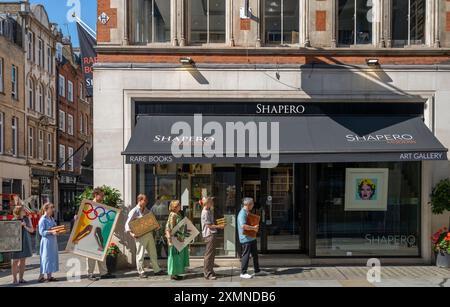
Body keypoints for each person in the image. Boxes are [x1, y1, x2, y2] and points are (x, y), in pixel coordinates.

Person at [126, 194, 164, 278]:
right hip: (139, 235)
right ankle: (141, 271)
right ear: (139, 200)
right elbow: (127, 224)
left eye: (146, 200)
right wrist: (132, 234)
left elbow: (151, 220)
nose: (146, 202)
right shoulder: (134, 211)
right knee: (140, 254)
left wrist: (156, 226)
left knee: (153, 252)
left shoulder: (146, 210)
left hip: (149, 234)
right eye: (145, 200)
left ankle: (157, 270)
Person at [86, 187, 114, 281]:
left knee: (102, 251)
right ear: (96, 195)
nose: (103, 197)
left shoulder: (102, 206)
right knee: (91, 253)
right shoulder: (89, 205)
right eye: (101, 195)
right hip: (91, 232)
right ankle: (90, 273)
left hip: (99, 230)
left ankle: (104, 273)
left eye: (103, 195)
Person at [237, 197, 267, 279]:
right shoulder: (242, 213)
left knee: (255, 255)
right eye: (252, 203)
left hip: (251, 237)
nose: (253, 205)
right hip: (246, 238)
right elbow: (243, 226)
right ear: (248, 204)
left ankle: (257, 270)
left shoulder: (247, 212)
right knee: (246, 255)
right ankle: (243, 272)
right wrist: (254, 228)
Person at [200, 196, 224, 280]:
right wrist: (219, 226)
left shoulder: (208, 211)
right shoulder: (205, 212)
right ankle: (207, 273)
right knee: (209, 255)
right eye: (211, 202)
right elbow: (209, 225)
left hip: (211, 234)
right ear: (208, 203)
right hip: (209, 234)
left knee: (212, 254)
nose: (212, 203)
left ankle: (210, 271)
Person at [165, 200, 190, 281]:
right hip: (174, 239)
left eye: (179, 205)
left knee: (177, 257)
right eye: (178, 205)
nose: (180, 206)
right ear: (174, 207)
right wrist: (170, 239)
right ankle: (173, 274)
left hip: (178, 238)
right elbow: (169, 228)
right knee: (174, 256)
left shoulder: (177, 214)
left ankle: (175, 273)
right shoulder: (173, 215)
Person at [11, 205, 34, 284]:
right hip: (16, 243)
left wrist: (25, 226)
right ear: (19, 211)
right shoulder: (13, 220)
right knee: (15, 261)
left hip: (25, 241)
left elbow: (32, 230)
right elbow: (10, 233)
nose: (25, 211)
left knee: (23, 260)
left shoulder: (27, 219)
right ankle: (14, 279)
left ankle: (21, 278)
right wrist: (18, 226)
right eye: (23, 210)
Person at [38, 203, 59, 283]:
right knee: (45, 258)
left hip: (52, 241)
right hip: (46, 241)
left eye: (53, 208)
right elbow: (41, 232)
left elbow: (54, 227)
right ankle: (41, 277)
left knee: (51, 258)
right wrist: (51, 232)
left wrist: (58, 230)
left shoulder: (51, 218)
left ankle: (49, 276)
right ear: (46, 209)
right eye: (51, 208)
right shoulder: (43, 219)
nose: (53, 209)